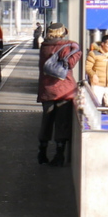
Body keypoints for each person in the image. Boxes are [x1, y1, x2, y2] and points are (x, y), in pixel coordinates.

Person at [37, 22, 82, 166]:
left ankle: (42, 152)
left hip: (47, 90)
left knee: (47, 121)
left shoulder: (45, 46)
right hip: (64, 91)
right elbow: (70, 63)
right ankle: (59, 154)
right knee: (62, 123)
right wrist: (77, 49)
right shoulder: (67, 46)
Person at [85, 34, 108, 109]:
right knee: (96, 106)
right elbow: (87, 67)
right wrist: (93, 75)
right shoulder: (94, 53)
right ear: (103, 44)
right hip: (97, 84)